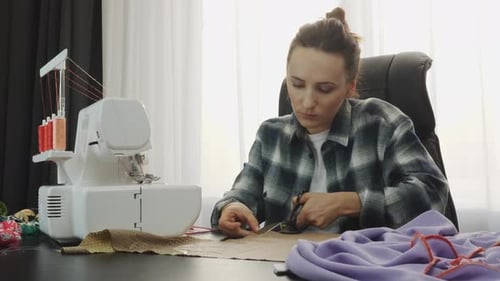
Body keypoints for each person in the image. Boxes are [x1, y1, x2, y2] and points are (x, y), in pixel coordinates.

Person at [211, 7, 450, 238]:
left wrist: (351, 203)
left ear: (350, 86)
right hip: (283, 265)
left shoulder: (382, 123)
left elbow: (433, 195)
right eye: (297, 84)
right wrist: (230, 208)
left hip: (362, 268)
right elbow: (242, 195)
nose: (307, 102)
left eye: (324, 89)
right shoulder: (270, 135)